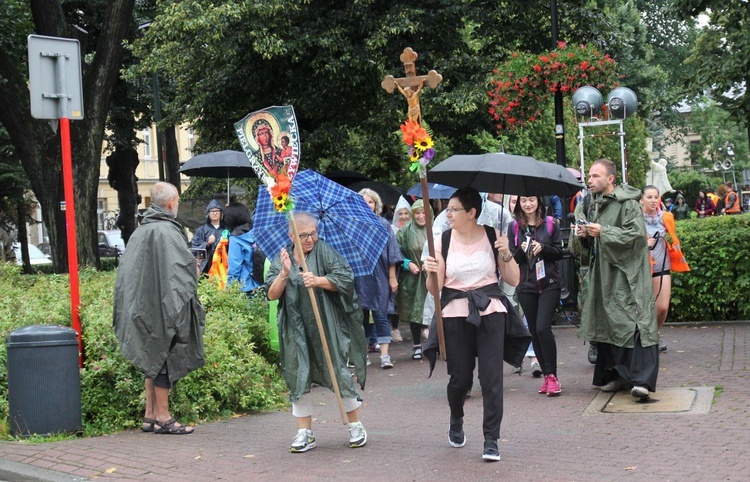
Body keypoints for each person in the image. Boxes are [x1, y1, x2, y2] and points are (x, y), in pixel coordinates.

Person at [423, 186, 522, 462]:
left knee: (491, 378)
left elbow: (514, 280)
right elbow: (435, 289)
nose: (448, 213)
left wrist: (506, 253)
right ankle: (456, 416)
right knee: (460, 379)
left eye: (454, 209)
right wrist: (431, 273)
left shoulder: (493, 236)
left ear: (471, 212)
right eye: (448, 209)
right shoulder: (442, 240)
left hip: (490, 311)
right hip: (455, 314)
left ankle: (491, 439)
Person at [266, 212, 368, 452]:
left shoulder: (325, 251)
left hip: (326, 323)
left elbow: (345, 279)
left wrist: (319, 280)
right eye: (304, 235)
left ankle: (356, 425)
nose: (310, 239)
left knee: (337, 370)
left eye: (313, 233)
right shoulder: (282, 257)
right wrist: (284, 273)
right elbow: (272, 294)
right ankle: (305, 432)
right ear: (291, 236)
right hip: (295, 327)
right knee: (297, 373)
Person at [114, 182, 205, 435]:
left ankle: (150, 415)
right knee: (163, 354)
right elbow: (180, 273)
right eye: (177, 200)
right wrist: (194, 268)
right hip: (162, 307)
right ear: (170, 203)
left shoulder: (141, 231)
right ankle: (164, 418)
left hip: (143, 306)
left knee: (150, 357)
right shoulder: (167, 231)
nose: (177, 204)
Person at [571, 159, 658, 400]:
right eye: (589, 176)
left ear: (610, 179)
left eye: (596, 176)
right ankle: (617, 376)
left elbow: (637, 236)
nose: (590, 180)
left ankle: (642, 380)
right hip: (602, 275)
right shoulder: (590, 204)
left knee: (634, 322)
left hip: (626, 276)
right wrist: (583, 235)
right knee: (607, 322)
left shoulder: (628, 203)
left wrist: (603, 231)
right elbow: (582, 250)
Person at [508, 196, 564, 396]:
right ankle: (547, 375)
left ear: (539, 202)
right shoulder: (514, 227)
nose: (527, 204)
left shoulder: (550, 224)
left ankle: (553, 376)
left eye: (531, 200)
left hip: (549, 283)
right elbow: (512, 258)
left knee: (542, 327)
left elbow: (559, 252)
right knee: (534, 330)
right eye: (523, 201)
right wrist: (522, 252)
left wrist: (544, 248)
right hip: (525, 286)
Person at [356, 188, 402, 369]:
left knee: (381, 313)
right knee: (361, 316)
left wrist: (392, 278)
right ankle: (363, 353)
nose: (367, 204)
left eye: (371, 201)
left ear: (376, 205)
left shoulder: (383, 225)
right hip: (359, 276)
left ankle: (385, 355)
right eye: (364, 201)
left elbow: (392, 253)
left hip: (380, 274)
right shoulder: (353, 225)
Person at [642, 186, 690, 352]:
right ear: (641, 200)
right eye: (649, 197)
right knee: (641, 307)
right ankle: (644, 337)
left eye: (656, 197)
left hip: (662, 266)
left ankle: (654, 332)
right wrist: (643, 244)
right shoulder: (634, 219)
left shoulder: (666, 217)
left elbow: (672, 236)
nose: (653, 200)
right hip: (641, 269)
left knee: (662, 308)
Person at [396, 200, 431, 360]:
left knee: (435, 310)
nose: (421, 216)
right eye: (417, 213)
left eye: (424, 212)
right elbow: (396, 252)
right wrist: (407, 263)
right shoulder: (405, 231)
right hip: (413, 278)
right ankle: (417, 344)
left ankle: (435, 343)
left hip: (433, 276)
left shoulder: (435, 228)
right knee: (414, 310)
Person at [223, 202, 262, 296]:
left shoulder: (236, 238)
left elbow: (234, 267)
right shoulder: (257, 232)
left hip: (246, 286)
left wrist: (230, 289)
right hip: (262, 283)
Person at [191, 199, 226, 274]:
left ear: (221, 213)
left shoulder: (226, 230)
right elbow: (195, 248)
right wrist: (207, 243)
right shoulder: (202, 230)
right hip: (206, 266)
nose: (215, 213)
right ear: (208, 213)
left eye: (217, 211)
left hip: (222, 264)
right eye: (212, 211)